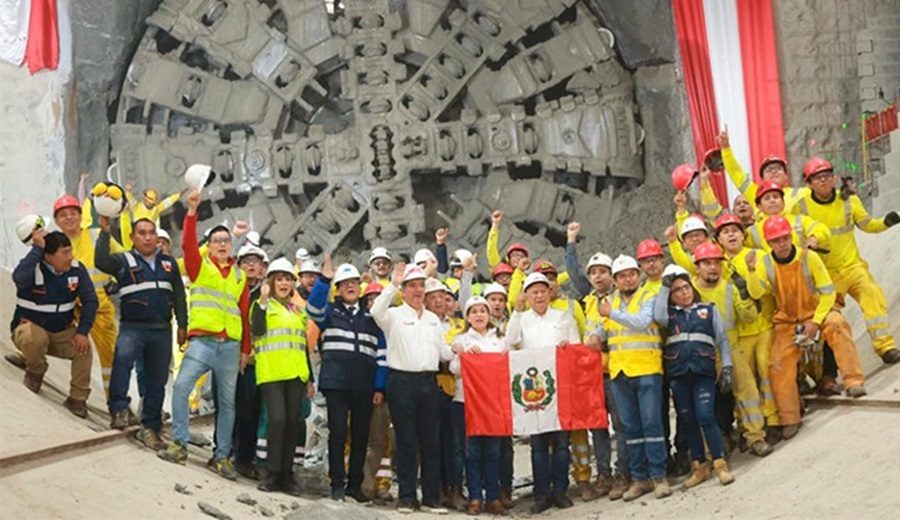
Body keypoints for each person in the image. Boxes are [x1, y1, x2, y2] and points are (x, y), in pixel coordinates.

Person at [158, 190, 251, 481]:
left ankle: (221, 457)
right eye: (216, 241)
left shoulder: (239, 276)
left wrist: (245, 350)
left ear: (230, 245)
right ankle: (180, 443)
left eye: (226, 241)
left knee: (228, 403)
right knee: (183, 386)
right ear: (209, 247)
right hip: (202, 342)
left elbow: (244, 316)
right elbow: (186, 244)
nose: (222, 245)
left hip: (230, 347)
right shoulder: (200, 268)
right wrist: (191, 212)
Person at [750, 216, 867, 439]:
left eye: (785, 238)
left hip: (816, 312)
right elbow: (757, 293)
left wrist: (815, 322)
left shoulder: (809, 258)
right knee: (778, 362)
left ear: (791, 236)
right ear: (768, 242)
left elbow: (828, 293)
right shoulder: (765, 264)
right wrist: (753, 272)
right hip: (787, 320)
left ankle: (854, 381)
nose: (782, 243)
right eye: (776, 240)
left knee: (838, 324)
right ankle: (789, 417)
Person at [794, 157, 900, 364]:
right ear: (809, 183)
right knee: (832, 321)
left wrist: (886, 222)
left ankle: (885, 347)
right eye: (817, 178)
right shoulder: (801, 206)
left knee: (872, 294)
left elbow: (868, 224)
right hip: (825, 276)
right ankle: (833, 369)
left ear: (834, 178)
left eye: (827, 176)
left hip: (853, 267)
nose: (823, 181)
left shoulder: (849, 201)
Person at [94, 216, 187, 449]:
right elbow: (101, 261)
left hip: (162, 330)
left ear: (157, 237)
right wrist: (105, 233)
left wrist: (183, 325)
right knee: (122, 364)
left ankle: (151, 427)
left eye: (151, 233)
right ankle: (118, 410)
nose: (147, 237)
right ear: (132, 238)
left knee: (157, 379)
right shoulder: (123, 261)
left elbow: (179, 296)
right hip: (132, 327)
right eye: (142, 233)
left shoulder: (169, 264)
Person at [371, 263, 452, 514]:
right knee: (405, 441)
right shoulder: (393, 315)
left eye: (420, 286)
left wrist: (463, 348)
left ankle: (430, 499)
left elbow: (444, 352)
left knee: (430, 441)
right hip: (401, 382)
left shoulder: (432, 320)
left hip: (429, 382)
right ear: (404, 291)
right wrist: (392, 284)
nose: (417, 290)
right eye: (412, 286)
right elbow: (375, 310)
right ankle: (406, 497)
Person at [588, 255, 670, 502]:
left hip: (646, 369)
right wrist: (593, 335)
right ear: (615, 280)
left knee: (651, 423)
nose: (628, 279)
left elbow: (642, 322)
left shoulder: (648, 296)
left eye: (632, 274)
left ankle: (659, 475)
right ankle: (639, 478)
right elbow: (597, 326)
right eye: (622, 276)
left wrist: (611, 314)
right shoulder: (608, 301)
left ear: (638, 275)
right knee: (631, 428)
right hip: (620, 372)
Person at [308, 256, 383, 503]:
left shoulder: (372, 316)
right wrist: (324, 280)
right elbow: (313, 308)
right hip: (336, 383)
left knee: (360, 436)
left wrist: (378, 385)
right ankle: (337, 485)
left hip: (364, 384)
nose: (350, 286)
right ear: (338, 289)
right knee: (338, 434)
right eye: (344, 283)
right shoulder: (329, 312)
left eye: (354, 282)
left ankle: (354, 486)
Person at [653, 265, 736, 488]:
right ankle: (699, 466)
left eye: (686, 287)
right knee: (687, 419)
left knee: (706, 416)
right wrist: (663, 288)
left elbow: (722, 339)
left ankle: (719, 464)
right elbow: (658, 316)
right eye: (677, 290)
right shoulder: (669, 316)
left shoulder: (709, 310)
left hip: (703, 372)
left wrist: (727, 366)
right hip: (679, 374)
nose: (684, 292)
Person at [506, 272, 580, 514]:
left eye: (542, 291)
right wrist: (516, 312)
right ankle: (541, 494)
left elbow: (575, 345)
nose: (539, 296)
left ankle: (560, 490)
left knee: (561, 443)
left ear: (550, 293)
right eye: (533, 292)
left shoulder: (563, 316)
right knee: (538, 444)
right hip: (534, 392)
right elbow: (510, 341)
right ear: (526, 295)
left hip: (560, 387)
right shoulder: (522, 318)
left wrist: (566, 348)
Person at [691, 241, 772, 457]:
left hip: (729, 349)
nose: (712, 268)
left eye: (716, 263)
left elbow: (748, 316)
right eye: (706, 263)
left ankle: (756, 437)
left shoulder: (729, 289)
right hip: (699, 354)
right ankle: (709, 452)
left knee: (747, 389)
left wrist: (746, 295)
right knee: (703, 404)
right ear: (697, 267)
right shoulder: (688, 290)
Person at [11, 230, 97, 418]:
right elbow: (18, 278)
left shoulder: (76, 270)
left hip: (62, 332)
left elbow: (91, 301)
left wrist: (82, 332)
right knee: (33, 337)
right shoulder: (33, 268)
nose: (70, 257)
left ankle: (77, 398)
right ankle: (35, 371)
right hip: (31, 327)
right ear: (48, 256)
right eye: (64, 253)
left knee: (83, 349)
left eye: (70, 251)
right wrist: (37, 249)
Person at [714, 213, 782, 444]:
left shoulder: (760, 256)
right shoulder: (716, 264)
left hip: (763, 326)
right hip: (738, 335)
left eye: (735, 230)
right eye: (725, 231)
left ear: (744, 234)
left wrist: (751, 271)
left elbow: (759, 292)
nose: (731, 234)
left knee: (765, 371)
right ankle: (746, 427)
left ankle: (772, 421)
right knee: (744, 383)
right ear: (718, 240)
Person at [250, 258, 313, 496]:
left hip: (296, 373)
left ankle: (287, 475)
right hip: (272, 372)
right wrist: (264, 299)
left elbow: (302, 345)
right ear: (271, 282)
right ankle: (272, 473)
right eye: (280, 279)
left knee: (293, 422)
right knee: (277, 420)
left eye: (287, 279)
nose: (284, 283)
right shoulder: (262, 306)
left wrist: (309, 378)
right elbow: (256, 329)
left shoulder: (297, 311)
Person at [448, 296, 510, 516]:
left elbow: (509, 367)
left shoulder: (501, 339)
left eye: (482, 311)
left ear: (489, 314)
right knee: (471, 451)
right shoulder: (461, 339)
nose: (479, 315)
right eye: (473, 311)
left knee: (493, 451)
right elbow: (454, 369)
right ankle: (475, 496)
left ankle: (492, 497)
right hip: (466, 402)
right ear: (467, 317)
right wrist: (464, 354)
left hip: (493, 403)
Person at [232, 244, 269, 479]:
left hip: (257, 361)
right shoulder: (233, 288)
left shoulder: (268, 294)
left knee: (250, 412)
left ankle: (244, 458)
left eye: (255, 261)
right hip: (230, 355)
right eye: (246, 261)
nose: (251, 265)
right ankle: (224, 451)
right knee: (228, 407)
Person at [359, 282, 394, 504]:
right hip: (365, 389)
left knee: (384, 441)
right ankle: (365, 484)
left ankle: (381, 485)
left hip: (384, 390)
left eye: (377, 298)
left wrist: (380, 387)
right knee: (369, 440)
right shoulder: (364, 324)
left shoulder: (386, 326)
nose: (373, 302)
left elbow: (384, 360)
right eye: (370, 298)